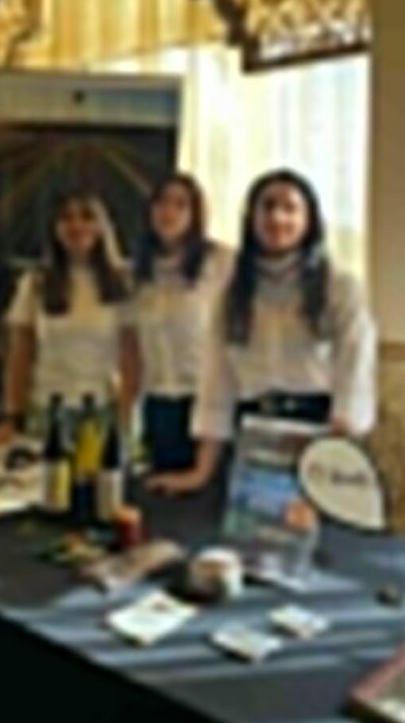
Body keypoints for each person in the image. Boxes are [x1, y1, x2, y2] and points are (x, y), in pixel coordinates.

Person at [148, 168, 377, 494]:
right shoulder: (232, 293)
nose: (277, 218)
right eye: (267, 207)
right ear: (251, 219)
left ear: (309, 220)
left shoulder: (340, 287)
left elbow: (354, 369)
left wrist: (336, 454)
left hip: (320, 434)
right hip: (252, 438)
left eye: (290, 208)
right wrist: (200, 473)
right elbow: (217, 383)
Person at [121, 173, 233, 473]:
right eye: (161, 203)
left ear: (195, 214)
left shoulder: (221, 262)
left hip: (206, 399)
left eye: (181, 205)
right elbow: (132, 350)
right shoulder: (138, 272)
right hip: (158, 403)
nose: (168, 212)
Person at [0, 190, 129, 437]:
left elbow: (131, 355)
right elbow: (20, 355)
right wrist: (13, 414)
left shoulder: (123, 283)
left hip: (102, 409)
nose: (76, 226)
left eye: (87, 217)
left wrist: (127, 414)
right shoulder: (35, 283)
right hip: (48, 408)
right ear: (55, 229)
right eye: (67, 218)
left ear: (102, 226)